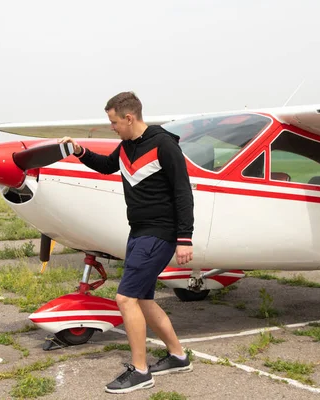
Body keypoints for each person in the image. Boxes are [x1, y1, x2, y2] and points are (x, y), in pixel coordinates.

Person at [59, 91, 194, 394]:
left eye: (114, 121)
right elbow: (108, 166)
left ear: (129, 117)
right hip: (138, 232)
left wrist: (185, 238)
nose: (112, 127)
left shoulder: (163, 145)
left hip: (160, 233)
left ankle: (141, 371)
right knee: (142, 300)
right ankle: (178, 356)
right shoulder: (126, 147)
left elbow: (184, 193)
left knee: (125, 299)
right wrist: (80, 151)